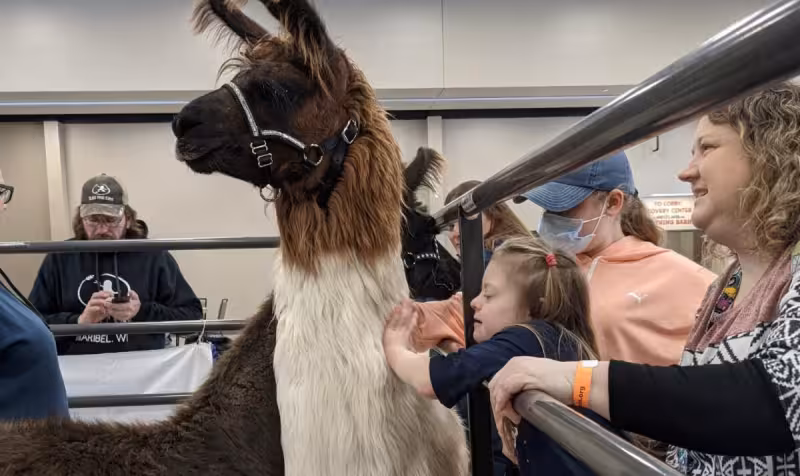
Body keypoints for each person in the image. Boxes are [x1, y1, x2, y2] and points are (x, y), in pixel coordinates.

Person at [489, 84, 800, 476]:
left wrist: (579, 379)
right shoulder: (728, 285)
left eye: (707, 148)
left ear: (770, 154)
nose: (686, 171)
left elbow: (775, 397)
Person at [385, 236, 621, 475]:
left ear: (534, 308)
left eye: (489, 295)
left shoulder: (524, 337)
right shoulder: (559, 341)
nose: (475, 303)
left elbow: (431, 382)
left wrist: (396, 349)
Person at [517, 151, 715, 366]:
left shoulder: (685, 278)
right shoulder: (554, 270)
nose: (551, 218)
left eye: (564, 207)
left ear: (612, 202)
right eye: (547, 208)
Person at [30, 174, 203, 355]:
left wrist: (142, 311)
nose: (102, 229)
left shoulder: (153, 255)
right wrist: (79, 322)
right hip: (77, 371)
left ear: (128, 219)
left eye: (111, 220)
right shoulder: (60, 257)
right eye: (93, 220)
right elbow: (33, 322)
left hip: (144, 371)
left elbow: (192, 318)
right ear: (81, 219)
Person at [0, 171, 69, 420]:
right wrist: (78, 322)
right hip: (17, 454)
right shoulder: (61, 261)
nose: (4, 206)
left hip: (34, 451)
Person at [445, 180, 532, 263]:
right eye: (450, 225)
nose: (456, 232)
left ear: (493, 215)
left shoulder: (498, 259)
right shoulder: (522, 249)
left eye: (466, 220)